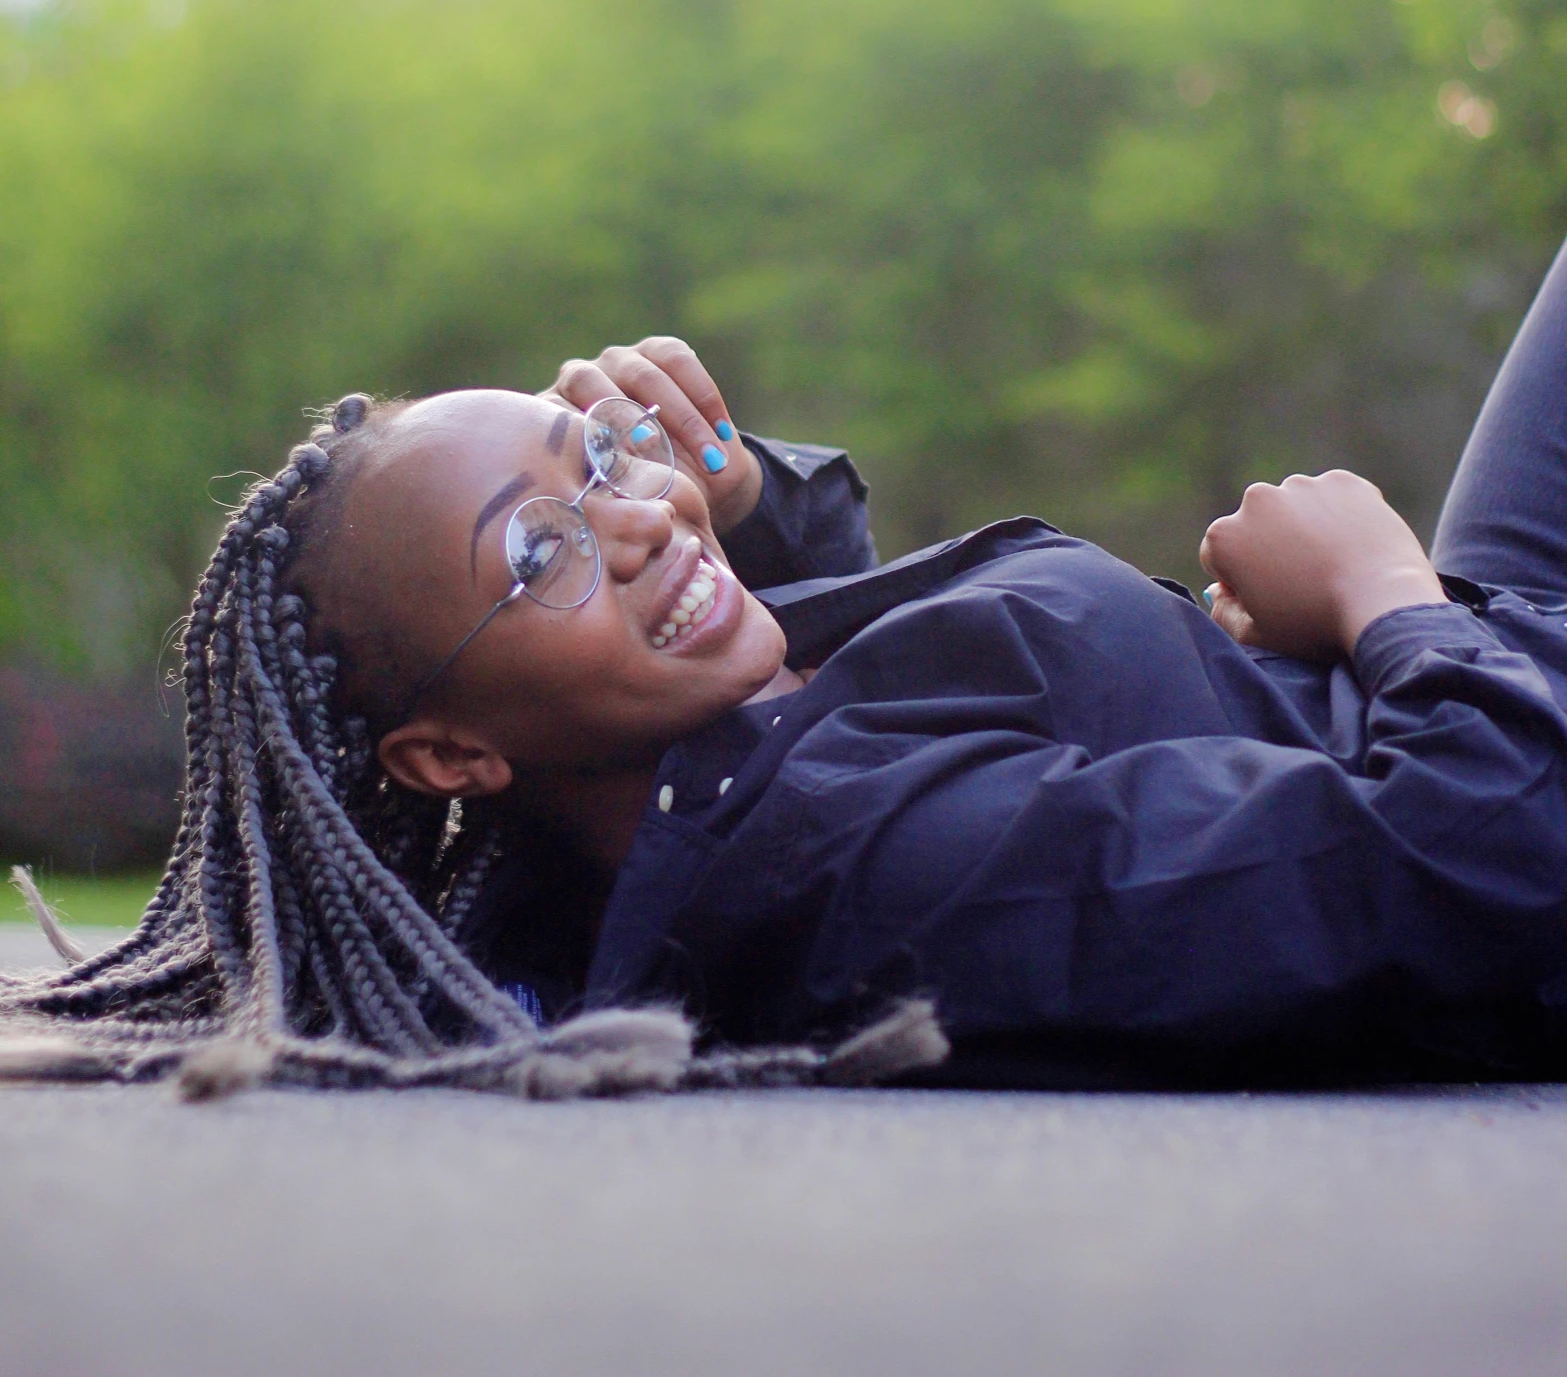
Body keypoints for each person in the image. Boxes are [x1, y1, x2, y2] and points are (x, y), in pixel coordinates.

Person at [8, 243, 1567, 1096]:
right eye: (538, 551)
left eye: (600, 457)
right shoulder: (885, 867)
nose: (631, 517)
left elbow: (878, 665)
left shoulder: (670, 769)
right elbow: (1485, 851)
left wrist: (746, 501)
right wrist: (1379, 587)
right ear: (447, 757)